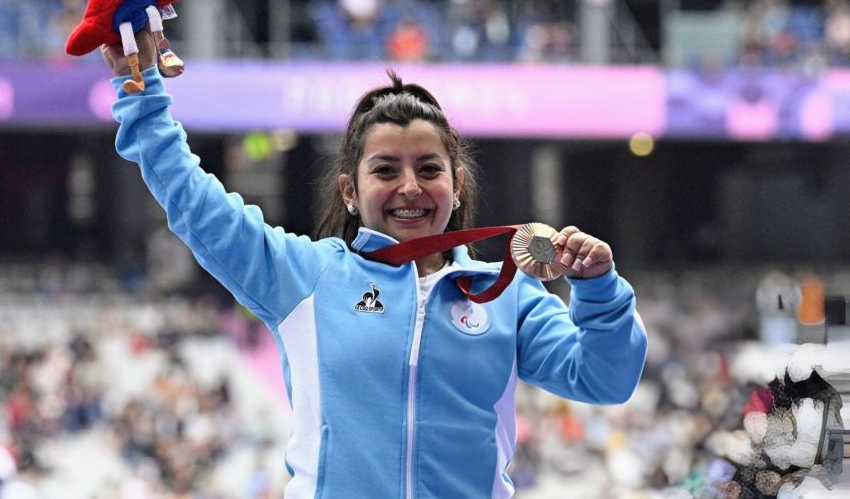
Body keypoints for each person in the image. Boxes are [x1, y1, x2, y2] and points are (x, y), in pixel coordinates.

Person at [102, 29, 647, 498]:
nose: (409, 187)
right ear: (350, 190)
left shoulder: (507, 293)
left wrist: (599, 289)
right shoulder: (305, 277)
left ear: (456, 184)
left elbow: (604, 379)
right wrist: (142, 95)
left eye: (429, 169)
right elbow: (195, 203)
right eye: (385, 170)